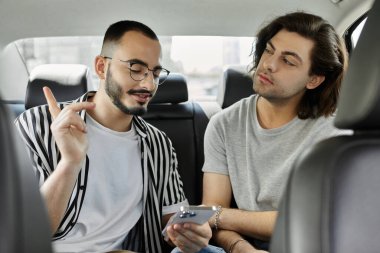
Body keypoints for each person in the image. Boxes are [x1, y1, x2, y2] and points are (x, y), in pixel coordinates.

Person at [15, 20, 211, 253]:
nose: (148, 84)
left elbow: (171, 219)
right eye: (136, 69)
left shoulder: (158, 144)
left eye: (155, 73)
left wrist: (192, 232)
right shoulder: (36, 124)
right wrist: (69, 163)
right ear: (101, 67)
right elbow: (27, 233)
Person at [201, 11, 348, 253]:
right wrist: (240, 247)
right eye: (269, 50)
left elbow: (310, 222)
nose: (269, 64)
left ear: (314, 79)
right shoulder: (223, 124)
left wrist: (221, 216)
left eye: (288, 61)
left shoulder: (332, 134)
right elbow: (211, 215)